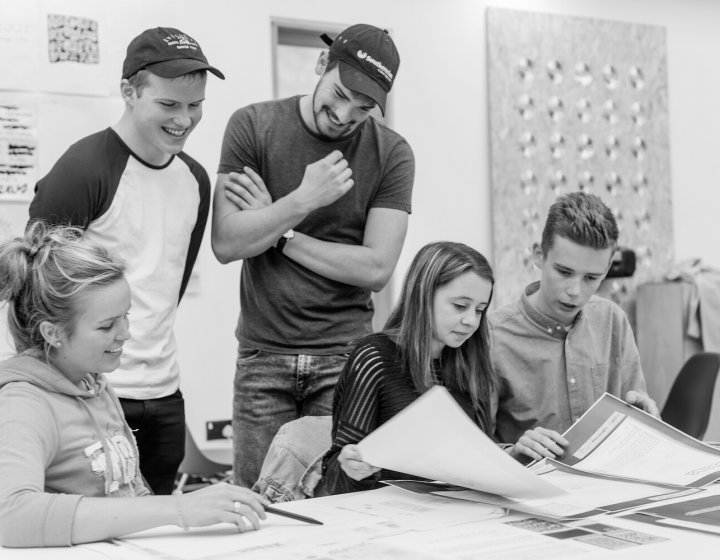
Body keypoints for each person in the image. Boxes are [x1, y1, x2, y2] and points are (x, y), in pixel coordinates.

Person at [212, 23, 415, 488]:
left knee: (339, 512)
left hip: (345, 361)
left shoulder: (392, 154)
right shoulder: (253, 126)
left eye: (363, 108)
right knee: (256, 514)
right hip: (263, 358)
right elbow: (227, 242)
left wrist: (280, 230)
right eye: (339, 94)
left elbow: (376, 268)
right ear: (321, 64)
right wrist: (303, 200)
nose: (344, 115)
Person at [28, 27, 224, 494]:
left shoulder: (195, 180)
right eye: (169, 105)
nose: (185, 119)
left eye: (195, 105)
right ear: (130, 92)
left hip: (164, 393)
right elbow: (34, 290)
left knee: (154, 528)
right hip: (91, 392)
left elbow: (169, 286)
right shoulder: (85, 169)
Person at [0, 223, 267, 548]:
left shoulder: (93, 382)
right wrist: (176, 508)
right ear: (52, 333)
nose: (125, 333)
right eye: (107, 325)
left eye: (125, 316)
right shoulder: (23, 404)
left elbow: (130, 491)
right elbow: (10, 516)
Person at [488, 191, 659, 463]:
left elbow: (638, 414)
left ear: (605, 271)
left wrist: (649, 425)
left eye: (591, 277)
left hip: (607, 487)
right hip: (530, 494)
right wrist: (513, 452)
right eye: (564, 272)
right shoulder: (493, 336)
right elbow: (472, 452)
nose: (575, 292)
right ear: (538, 255)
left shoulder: (613, 320)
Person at [320, 241, 495, 495]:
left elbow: (481, 461)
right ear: (423, 295)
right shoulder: (375, 357)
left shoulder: (470, 363)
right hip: (385, 517)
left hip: (454, 513)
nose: (471, 321)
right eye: (459, 306)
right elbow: (336, 481)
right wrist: (353, 467)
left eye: (480, 310)